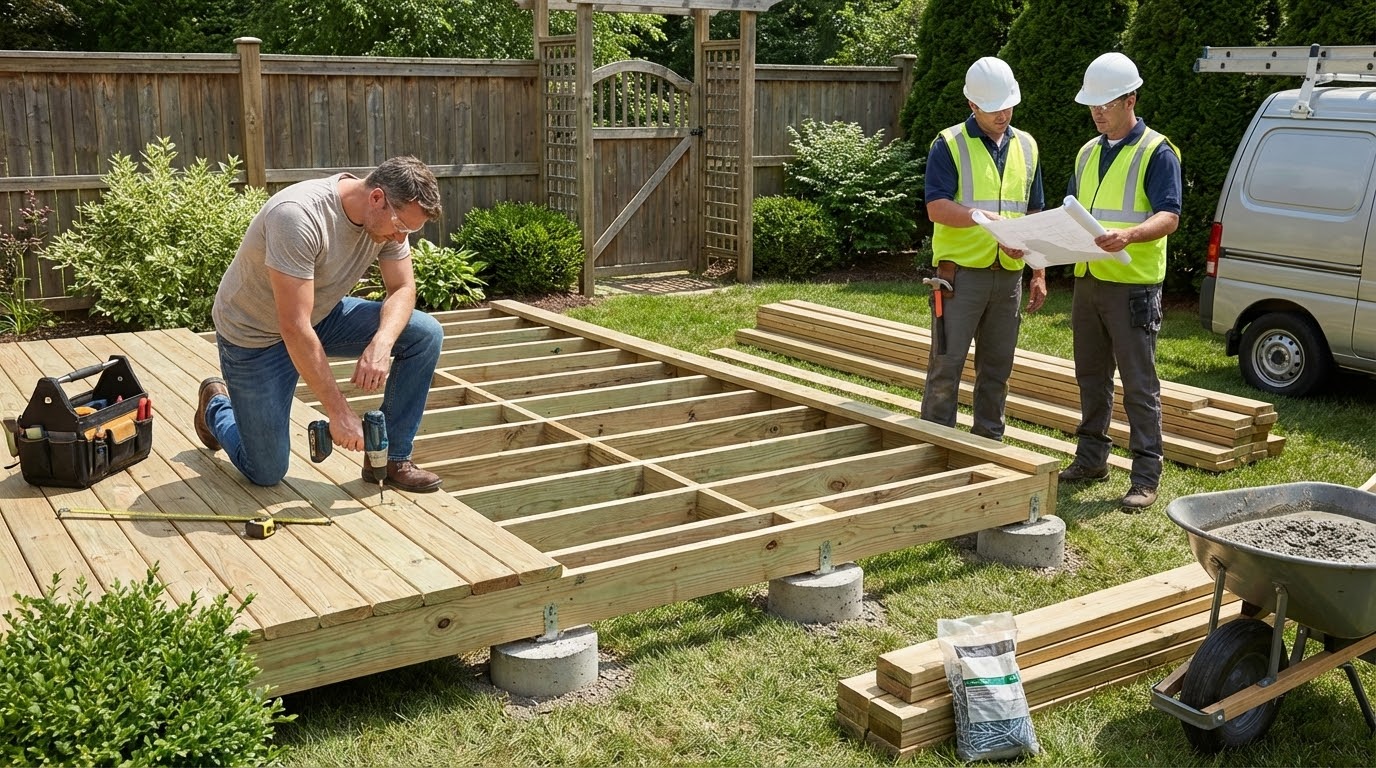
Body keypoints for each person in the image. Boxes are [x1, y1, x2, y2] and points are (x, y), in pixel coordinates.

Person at [194, 156, 446, 492]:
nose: (401, 238)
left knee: (424, 334)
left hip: (319, 314)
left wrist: (382, 343)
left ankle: (390, 458)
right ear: (376, 198)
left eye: (410, 231)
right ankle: (215, 406)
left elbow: (402, 288)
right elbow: (294, 328)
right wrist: (339, 413)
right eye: (401, 226)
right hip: (254, 336)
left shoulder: (388, 225)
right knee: (266, 470)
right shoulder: (298, 216)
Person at [1058, 52, 1182, 511]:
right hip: (1089, 281)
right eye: (1091, 105)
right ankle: (1091, 459)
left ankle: (1146, 475)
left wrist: (1129, 234)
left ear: (1131, 98)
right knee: (1091, 376)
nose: (1096, 113)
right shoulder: (1087, 152)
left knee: (1138, 383)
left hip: (1133, 287)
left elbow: (1169, 216)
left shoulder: (1157, 151)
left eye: (1104, 104)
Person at [920, 56, 1046, 441]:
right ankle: (936, 444)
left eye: (1008, 105)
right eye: (993, 109)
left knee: (997, 370)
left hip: (1009, 280)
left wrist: (1038, 271)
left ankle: (989, 442)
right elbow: (936, 206)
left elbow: (1035, 212)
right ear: (972, 105)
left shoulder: (1027, 146)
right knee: (946, 367)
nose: (1002, 114)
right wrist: (981, 218)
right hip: (959, 279)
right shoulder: (949, 144)